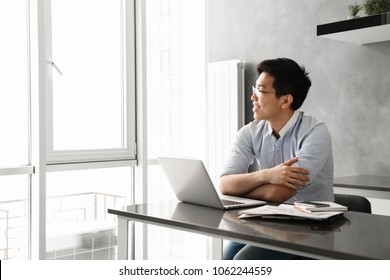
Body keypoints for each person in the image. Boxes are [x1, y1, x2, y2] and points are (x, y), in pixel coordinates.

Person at [220, 57, 334, 260]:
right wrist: (268, 174)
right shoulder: (250, 132)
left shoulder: (315, 133)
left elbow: (277, 194)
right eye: (255, 88)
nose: (253, 97)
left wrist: (243, 187)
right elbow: (225, 185)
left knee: (243, 261)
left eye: (261, 91)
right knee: (228, 256)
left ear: (285, 100)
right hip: (267, 220)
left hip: (310, 228)